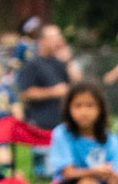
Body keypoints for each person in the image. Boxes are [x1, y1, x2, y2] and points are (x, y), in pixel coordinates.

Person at [16, 25, 81, 157]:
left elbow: (78, 83)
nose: (57, 41)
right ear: (41, 41)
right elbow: (25, 93)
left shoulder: (61, 63)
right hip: (43, 125)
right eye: (53, 37)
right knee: (46, 172)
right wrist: (53, 92)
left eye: (59, 36)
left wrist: (68, 60)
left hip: (64, 123)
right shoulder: (32, 64)